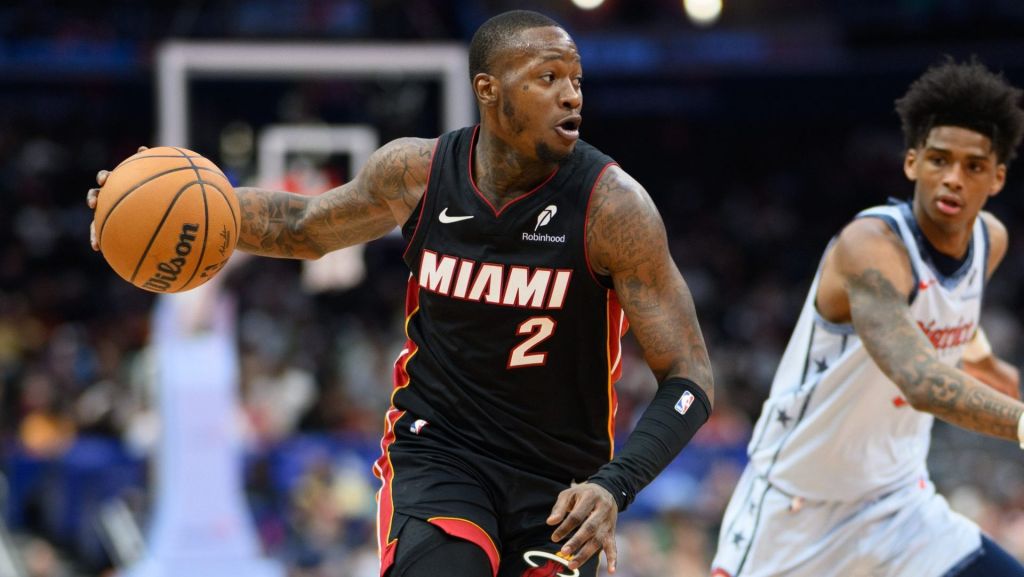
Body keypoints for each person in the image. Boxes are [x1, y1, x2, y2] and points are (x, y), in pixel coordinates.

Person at [87, 10, 714, 577]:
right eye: (547, 78)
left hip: (561, 483)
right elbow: (304, 226)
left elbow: (690, 376)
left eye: (575, 79)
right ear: (488, 89)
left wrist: (615, 485)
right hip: (440, 452)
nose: (571, 94)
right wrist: (168, 205)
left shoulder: (613, 208)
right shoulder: (417, 173)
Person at [711, 59, 1024, 577]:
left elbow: (955, 320)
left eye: (973, 166)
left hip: (900, 506)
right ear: (911, 163)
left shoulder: (990, 241)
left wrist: (993, 368)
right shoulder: (871, 246)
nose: (952, 179)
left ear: (997, 178)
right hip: (796, 512)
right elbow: (919, 380)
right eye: (939, 160)